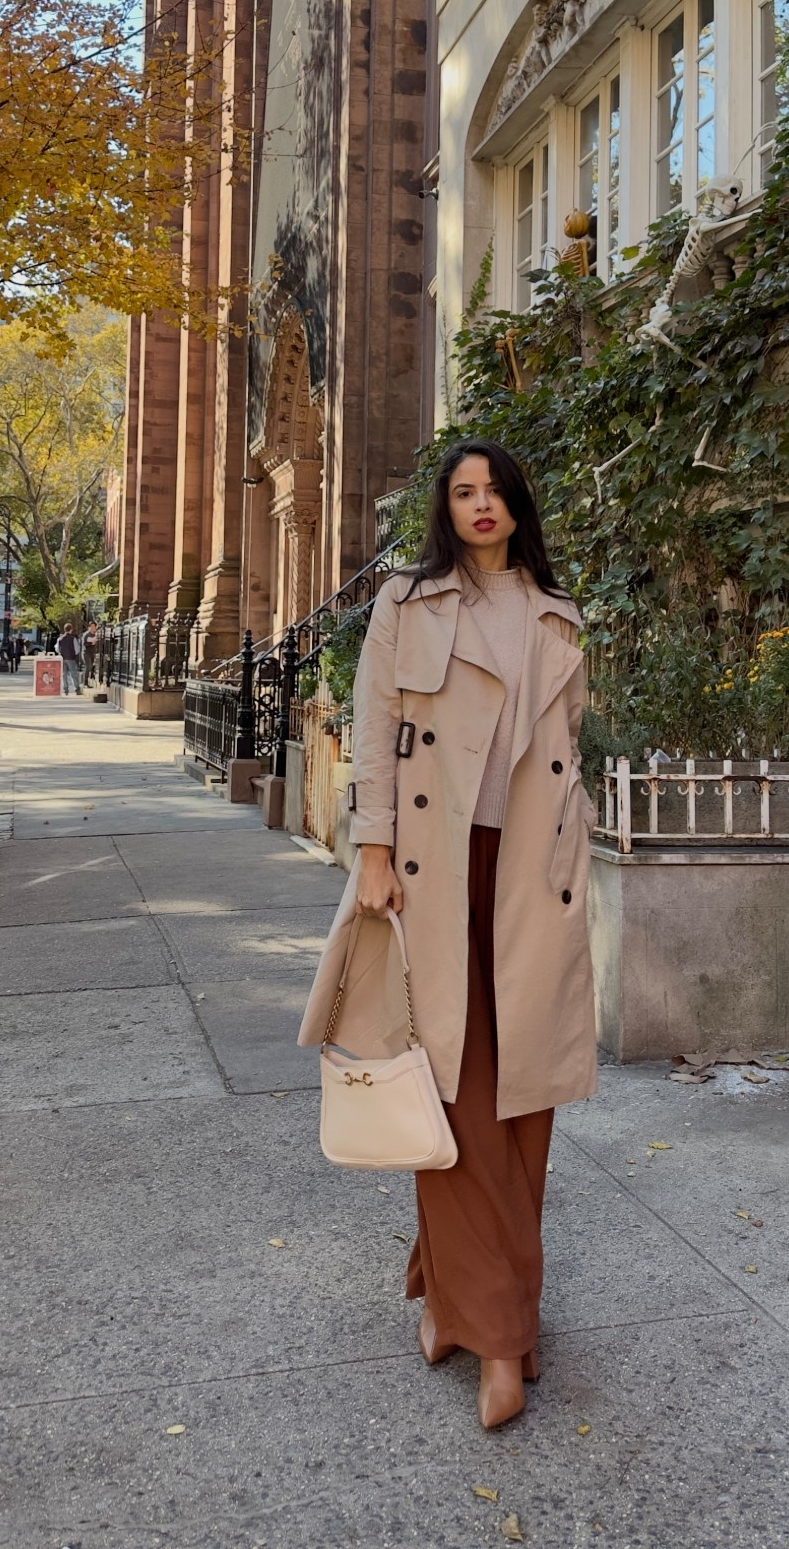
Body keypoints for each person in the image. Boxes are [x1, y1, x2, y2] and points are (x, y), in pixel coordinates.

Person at [298, 439, 596, 1431]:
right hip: (432, 867)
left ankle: (449, 1290)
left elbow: (565, 754)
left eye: (492, 489)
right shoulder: (407, 604)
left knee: (524, 1096)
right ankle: (505, 1334)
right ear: (446, 507)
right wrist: (370, 848)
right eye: (460, 491)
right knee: (457, 1091)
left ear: (516, 504)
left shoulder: (559, 616)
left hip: (530, 879)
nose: (478, 504)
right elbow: (375, 726)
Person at [56, 621, 81, 694]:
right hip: (71, 658)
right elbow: (77, 649)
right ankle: (77, 689)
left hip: (63, 658)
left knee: (64, 674)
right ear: (71, 629)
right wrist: (74, 654)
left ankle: (65, 689)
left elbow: (57, 649)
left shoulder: (60, 638)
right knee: (74, 674)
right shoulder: (73, 638)